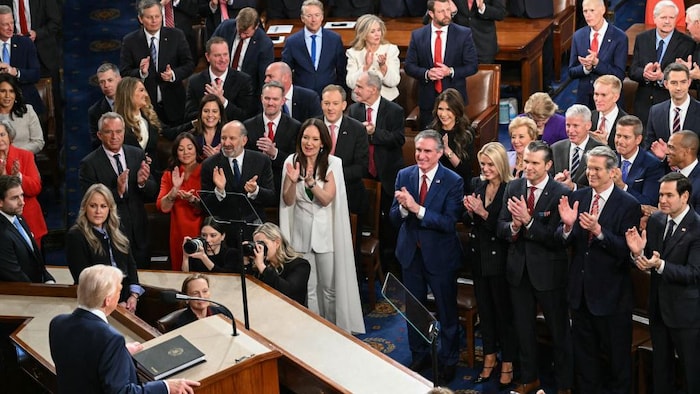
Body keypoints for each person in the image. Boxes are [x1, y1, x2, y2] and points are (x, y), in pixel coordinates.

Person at [557, 146, 641, 393]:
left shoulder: (628, 205)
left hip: (612, 298)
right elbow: (562, 240)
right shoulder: (579, 197)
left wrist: (599, 232)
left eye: (596, 169)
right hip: (580, 295)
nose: (590, 173)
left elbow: (626, 252)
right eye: (588, 167)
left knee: (617, 363)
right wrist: (568, 228)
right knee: (585, 360)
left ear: (613, 172)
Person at [49, 265, 200, 394]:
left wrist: (120, 353)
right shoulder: (110, 338)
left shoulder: (57, 323)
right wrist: (166, 387)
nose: (119, 295)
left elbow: (82, 361)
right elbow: (122, 392)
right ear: (108, 300)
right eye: (119, 291)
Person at [496, 141, 573, 393]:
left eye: (534, 163)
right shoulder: (513, 186)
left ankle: (564, 385)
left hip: (549, 274)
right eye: (526, 161)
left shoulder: (561, 192)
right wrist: (514, 227)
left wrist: (528, 222)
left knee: (559, 332)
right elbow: (501, 227)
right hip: (518, 272)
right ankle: (529, 378)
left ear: (548, 165)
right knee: (523, 329)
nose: (527, 167)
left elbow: (557, 238)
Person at [390, 129, 463, 385]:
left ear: (440, 154)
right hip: (411, 255)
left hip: (440, 257)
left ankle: (448, 360)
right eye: (418, 150)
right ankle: (419, 354)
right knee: (415, 310)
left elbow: (448, 222)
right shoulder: (404, 175)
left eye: (427, 151)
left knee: (446, 312)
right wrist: (401, 207)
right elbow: (392, 217)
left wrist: (416, 209)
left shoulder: (453, 181)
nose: (420, 155)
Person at [279, 118, 364, 334]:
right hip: (300, 235)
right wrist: (290, 181)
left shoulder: (333, 163)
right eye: (306, 137)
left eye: (315, 139)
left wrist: (310, 184)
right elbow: (288, 201)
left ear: (323, 142)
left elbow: (326, 199)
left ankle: (333, 329)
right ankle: (315, 330)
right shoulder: (291, 160)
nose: (309, 143)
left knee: (329, 289)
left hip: (326, 237)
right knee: (308, 288)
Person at [626, 172, 700, 394]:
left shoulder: (697, 228)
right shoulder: (657, 220)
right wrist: (638, 254)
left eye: (669, 195)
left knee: (691, 372)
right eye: (660, 195)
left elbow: (694, 273)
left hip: (686, 315)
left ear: (685, 196)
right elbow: (649, 257)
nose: (663, 200)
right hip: (658, 309)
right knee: (661, 369)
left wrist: (660, 266)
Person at [463, 142, 516, 389]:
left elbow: (505, 229)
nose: (485, 168)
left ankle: (508, 361)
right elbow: (466, 220)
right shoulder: (477, 184)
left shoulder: (511, 188)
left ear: (501, 163)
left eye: (490, 164)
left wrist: (483, 213)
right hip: (478, 258)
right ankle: (490, 356)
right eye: (483, 164)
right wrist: (470, 211)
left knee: (503, 314)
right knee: (485, 312)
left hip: (500, 261)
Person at [79, 112, 158, 268]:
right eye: (109, 132)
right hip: (111, 234)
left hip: (139, 233)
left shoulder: (137, 154)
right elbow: (89, 202)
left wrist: (143, 183)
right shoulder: (89, 164)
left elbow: (152, 191)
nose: (114, 136)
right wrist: (118, 192)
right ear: (100, 135)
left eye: (119, 131)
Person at [65, 184, 144, 313]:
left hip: (125, 299)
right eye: (93, 206)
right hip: (97, 304)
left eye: (103, 206)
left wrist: (134, 296)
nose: (98, 211)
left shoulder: (117, 229)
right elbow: (85, 278)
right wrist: (114, 305)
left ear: (109, 208)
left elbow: (130, 263)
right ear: (85, 207)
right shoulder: (76, 236)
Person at [119, 0, 194, 126]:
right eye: (149, 17)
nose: (154, 21)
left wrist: (173, 74)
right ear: (140, 19)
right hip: (144, 107)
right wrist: (141, 73)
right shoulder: (130, 41)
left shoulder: (176, 36)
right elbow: (124, 72)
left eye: (157, 16)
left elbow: (189, 64)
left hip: (174, 104)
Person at [405, 0, 478, 128]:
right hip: (428, 102)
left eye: (448, 10)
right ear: (431, 14)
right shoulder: (418, 36)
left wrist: (450, 71)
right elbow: (409, 66)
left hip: (454, 101)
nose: (446, 14)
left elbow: (472, 66)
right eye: (441, 11)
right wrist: (427, 74)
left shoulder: (463, 34)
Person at [629, 0, 694, 126]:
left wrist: (663, 77)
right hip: (643, 104)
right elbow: (632, 70)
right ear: (655, 18)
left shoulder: (687, 43)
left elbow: (689, 80)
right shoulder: (642, 38)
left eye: (671, 17)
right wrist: (644, 73)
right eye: (663, 17)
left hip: (669, 105)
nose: (667, 21)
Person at [348, 70, 405, 211]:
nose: (355, 91)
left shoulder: (394, 110)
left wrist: (374, 133)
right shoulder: (353, 110)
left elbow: (399, 139)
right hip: (361, 172)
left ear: (373, 89)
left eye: (359, 87)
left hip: (386, 172)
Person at [200, 120, 275, 223]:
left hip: (254, 227)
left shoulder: (261, 161)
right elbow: (204, 205)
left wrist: (255, 191)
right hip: (223, 230)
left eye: (232, 138)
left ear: (244, 140)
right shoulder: (210, 165)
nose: (226, 143)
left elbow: (271, 198)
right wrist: (219, 191)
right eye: (223, 138)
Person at [244, 81, 301, 198]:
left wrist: (275, 153)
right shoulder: (248, 126)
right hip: (255, 189)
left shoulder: (295, 127)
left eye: (275, 99)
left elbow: (297, 161)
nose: (270, 103)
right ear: (261, 99)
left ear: (283, 101)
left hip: (283, 188)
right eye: (267, 98)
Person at [157, 132, 203, 271]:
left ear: (196, 148)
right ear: (176, 152)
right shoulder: (170, 174)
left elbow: (212, 204)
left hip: (203, 230)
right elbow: (162, 207)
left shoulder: (206, 170)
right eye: (181, 149)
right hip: (179, 233)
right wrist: (174, 191)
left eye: (189, 148)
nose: (186, 152)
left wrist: (192, 200)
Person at [568, 0, 627, 109]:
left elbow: (619, 74)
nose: (588, 15)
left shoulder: (619, 37)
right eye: (585, 11)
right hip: (584, 100)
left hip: (608, 100)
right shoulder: (578, 36)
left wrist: (597, 63)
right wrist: (586, 69)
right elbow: (571, 71)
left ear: (603, 10)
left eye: (592, 10)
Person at [281, 0, 348, 96]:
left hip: (328, 95)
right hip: (302, 95)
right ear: (302, 18)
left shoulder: (334, 39)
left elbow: (342, 70)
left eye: (317, 15)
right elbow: (285, 71)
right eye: (309, 16)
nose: (313, 20)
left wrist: (340, 92)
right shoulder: (292, 42)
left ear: (322, 16)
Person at [320, 84, 368, 215]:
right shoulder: (312, 126)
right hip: (315, 190)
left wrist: (330, 177)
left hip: (347, 192)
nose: (330, 108)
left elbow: (360, 168)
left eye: (335, 103)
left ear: (344, 105)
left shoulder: (357, 130)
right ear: (321, 104)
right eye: (327, 103)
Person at [184, 36, 255, 124]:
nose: (223, 59)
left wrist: (223, 101)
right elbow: (189, 115)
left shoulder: (243, 80)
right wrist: (210, 113)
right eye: (217, 55)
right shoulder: (195, 82)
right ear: (207, 57)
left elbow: (245, 116)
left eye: (225, 54)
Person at [0, 174, 53, 283]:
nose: (22, 202)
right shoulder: (2, 233)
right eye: (15, 198)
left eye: (21, 195)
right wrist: (40, 292)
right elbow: (14, 274)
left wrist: (48, 280)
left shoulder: (18, 218)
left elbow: (36, 259)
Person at [211, 7, 274, 99]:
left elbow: (263, 79)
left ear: (256, 27)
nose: (242, 36)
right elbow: (210, 47)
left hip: (247, 91)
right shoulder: (225, 27)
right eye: (240, 31)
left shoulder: (265, 44)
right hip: (220, 81)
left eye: (246, 33)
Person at [0, 119, 45, 245]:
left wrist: (18, 177)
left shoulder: (25, 156)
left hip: (28, 219)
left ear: (9, 136)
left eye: (2, 135)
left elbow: (36, 187)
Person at [245, 222, 311, 306]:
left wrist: (263, 268)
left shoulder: (300, 265)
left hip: (292, 312)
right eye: (256, 244)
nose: (259, 248)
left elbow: (289, 292)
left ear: (277, 242)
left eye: (263, 244)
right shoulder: (258, 265)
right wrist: (245, 261)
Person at [646, 62, 700, 158]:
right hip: (663, 170)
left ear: (689, 82)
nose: (679, 88)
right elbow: (648, 148)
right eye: (674, 83)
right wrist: (664, 158)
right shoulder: (655, 112)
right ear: (666, 84)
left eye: (683, 82)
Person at [345, 14, 401, 102]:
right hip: (361, 102)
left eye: (379, 30)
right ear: (363, 35)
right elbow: (351, 83)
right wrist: (366, 67)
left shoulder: (391, 50)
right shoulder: (353, 53)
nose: (377, 34)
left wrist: (383, 67)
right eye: (372, 31)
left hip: (387, 102)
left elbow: (394, 82)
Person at [428, 88, 474, 194]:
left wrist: (447, 150)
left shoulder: (467, 133)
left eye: (448, 109)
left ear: (457, 111)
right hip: (436, 183)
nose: (443, 114)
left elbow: (465, 170)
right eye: (440, 109)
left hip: (458, 184)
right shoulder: (431, 131)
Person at [613, 115, 664, 207]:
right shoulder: (609, 159)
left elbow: (649, 201)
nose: (620, 141)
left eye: (626, 137)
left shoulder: (653, 165)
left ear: (638, 139)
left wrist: (622, 186)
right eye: (618, 136)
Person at [0, 6, 42, 114]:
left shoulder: (25, 44)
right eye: (5, 24)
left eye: (12, 23)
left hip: (25, 103)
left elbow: (36, 74)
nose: (11, 28)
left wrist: (16, 72)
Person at [552, 104, 604, 190]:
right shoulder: (556, 148)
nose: (570, 131)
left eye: (575, 126)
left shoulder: (600, 151)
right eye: (568, 125)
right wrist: (556, 182)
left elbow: (601, 186)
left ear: (588, 125)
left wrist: (574, 187)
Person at [114, 77, 161, 170]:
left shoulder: (148, 117)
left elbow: (169, 132)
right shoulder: (116, 124)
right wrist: (139, 160)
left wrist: (193, 123)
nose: (146, 94)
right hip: (129, 174)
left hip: (153, 174)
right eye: (141, 90)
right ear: (129, 94)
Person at [170, 94, 226, 161]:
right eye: (206, 111)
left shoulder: (227, 136)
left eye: (214, 111)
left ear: (220, 115)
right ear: (200, 114)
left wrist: (217, 158)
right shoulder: (192, 136)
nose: (210, 115)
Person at [450, 0, 506, 65]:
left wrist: (483, 8)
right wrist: (450, 11)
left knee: (484, 74)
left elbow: (501, 13)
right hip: (459, 46)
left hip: (483, 46)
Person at [0, 73, 42, 153]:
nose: (7, 95)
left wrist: (14, 153)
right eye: (3, 91)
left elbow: (38, 142)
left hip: (23, 160)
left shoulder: (28, 111)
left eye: (11, 91)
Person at [662, 131, 700, 213]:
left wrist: (658, 213)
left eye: (671, 147)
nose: (666, 152)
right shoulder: (669, 176)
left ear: (687, 151)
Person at [588, 74, 627, 148]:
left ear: (615, 97)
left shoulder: (627, 123)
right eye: (596, 94)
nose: (598, 99)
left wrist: (605, 145)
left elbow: (626, 155)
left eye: (603, 95)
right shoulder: (589, 117)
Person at [88, 63, 122, 148]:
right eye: (102, 82)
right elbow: (96, 143)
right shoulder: (95, 111)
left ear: (119, 79)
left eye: (110, 80)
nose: (106, 85)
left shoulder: (133, 101)